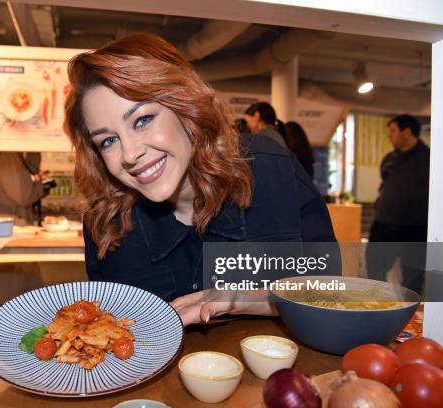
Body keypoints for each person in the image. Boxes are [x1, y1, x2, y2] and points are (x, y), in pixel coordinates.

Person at [64, 33, 336, 326]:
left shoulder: (273, 169)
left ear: (185, 106)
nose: (129, 154)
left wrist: (247, 298)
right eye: (108, 141)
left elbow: (331, 292)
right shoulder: (106, 222)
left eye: (142, 120)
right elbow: (107, 332)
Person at [0, 151, 51, 327]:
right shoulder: (8, 154)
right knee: (0, 300)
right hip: (6, 232)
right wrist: (41, 186)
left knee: (2, 299)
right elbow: (23, 194)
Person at [367, 114, 429, 294]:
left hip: (415, 228)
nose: (390, 135)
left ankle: (410, 318)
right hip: (384, 224)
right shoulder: (390, 158)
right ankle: (377, 311)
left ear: (407, 132)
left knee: (413, 278)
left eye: (393, 131)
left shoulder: (428, 159)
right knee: (375, 272)